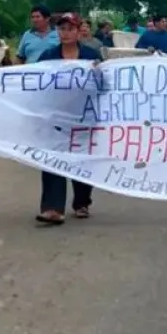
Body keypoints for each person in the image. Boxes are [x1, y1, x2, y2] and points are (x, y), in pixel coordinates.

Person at [33, 13, 103, 225]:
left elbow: (102, 85)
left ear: (78, 30)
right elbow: (36, 84)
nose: (65, 33)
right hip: (55, 116)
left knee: (81, 159)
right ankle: (53, 208)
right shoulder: (48, 57)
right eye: (61, 29)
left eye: (70, 29)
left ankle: (82, 201)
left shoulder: (91, 56)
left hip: (83, 116)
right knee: (53, 160)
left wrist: (97, 72)